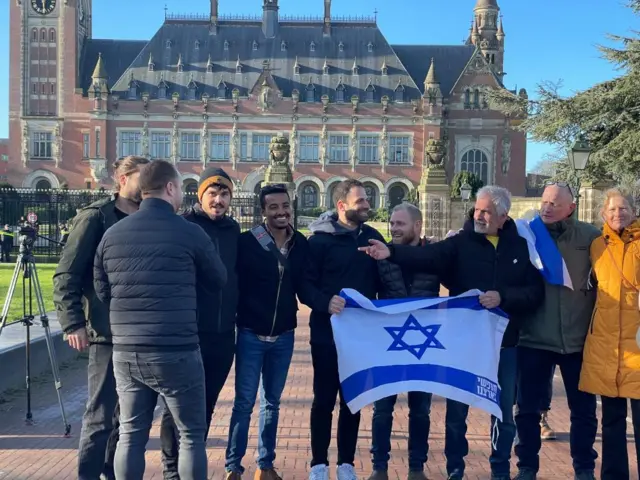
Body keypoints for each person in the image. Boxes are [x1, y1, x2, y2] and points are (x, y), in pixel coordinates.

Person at [360, 186, 545, 480]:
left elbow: (535, 292)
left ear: (502, 216)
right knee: (456, 415)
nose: (478, 215)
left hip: (505, 343)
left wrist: (503, 297)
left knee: (503, 413)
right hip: (464, 344)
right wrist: (391, 252)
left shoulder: (521, 248)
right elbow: (428, 256)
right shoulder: (460, 243)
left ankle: (500, 471)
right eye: (476, 209)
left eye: (485, 211)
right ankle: (454, 471)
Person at [93, 160, 227, 480]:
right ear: (170, 188)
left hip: (127, 349)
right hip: (176, 347)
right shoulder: (189, 231)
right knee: (192, 435)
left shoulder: (113, 233)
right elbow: (218, 279)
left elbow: (101, 289)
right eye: (181, 188)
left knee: (131, 433)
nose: (182, 194)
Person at [225, 184, 343, 480]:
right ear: (263, 211)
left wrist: (325, 303)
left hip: (284, 335)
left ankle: (265, 465)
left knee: (272, 403)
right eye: (273, 207)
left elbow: (305, 287)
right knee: (243, 402)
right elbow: (232, 284)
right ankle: (233, 467)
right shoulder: (246, 242)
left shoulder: (300, 243)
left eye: (285, 206)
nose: (281, 212)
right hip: (251, 332)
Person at [52, 155, 149, 480]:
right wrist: (73, 322)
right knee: (100, 416)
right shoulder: (96, 218)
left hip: (142, 335)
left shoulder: (150, 218)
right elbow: (67, 273)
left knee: (130, 418)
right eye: (142, 178)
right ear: (123, 179)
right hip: (107, 335)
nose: (148, 184)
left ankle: (111, 470)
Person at [513, 182, 600, 480]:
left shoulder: (590, 236)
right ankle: (526, 466)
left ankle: (584, 468)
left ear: (571, 208)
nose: (547, 207)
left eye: (555, 203)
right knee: (526, 410)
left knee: (584, 412)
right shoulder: (527, 234)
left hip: (577, 340)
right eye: (545, 201)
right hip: (535, 336)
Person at [160, 167, 240, 480]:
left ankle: (191, 460)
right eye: (213, 193)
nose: (218, 200)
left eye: (224, 194)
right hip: (189, 333)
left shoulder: (234, 231)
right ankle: (170, 469)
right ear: (200, 195)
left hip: (223, 334)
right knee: (175, 405)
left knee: (206, 403)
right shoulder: (184, 226)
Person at [307, 179, 386, 480]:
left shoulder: (374, 238)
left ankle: (346, 463)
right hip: (326, 334)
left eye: (366, 199)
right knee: (323, 400)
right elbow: (305, 285)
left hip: (360, 336)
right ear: (341, 206)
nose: (367, 205)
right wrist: (324, 302)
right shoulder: (319, 242)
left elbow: (386, 282)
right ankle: (318, 463)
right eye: (360, 201)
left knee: (352, 399)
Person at [368, 203, 439, 480]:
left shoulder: (434, 255)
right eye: (392, 223)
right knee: (382, 408)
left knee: (420, 410)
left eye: (401, 224)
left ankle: (416, 468)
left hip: (424, 345)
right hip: (389, 345)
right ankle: (379, 467)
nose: (394, 229)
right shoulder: (381, 256)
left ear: (418, 226)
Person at [579, 188, 640, 480]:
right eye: (613, 209)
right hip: (606, 345)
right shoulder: (596, 247)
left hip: (637, 344)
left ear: (633, 211)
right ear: (603, 214)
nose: (619, 213)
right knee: (612, 421)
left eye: (624, 208)